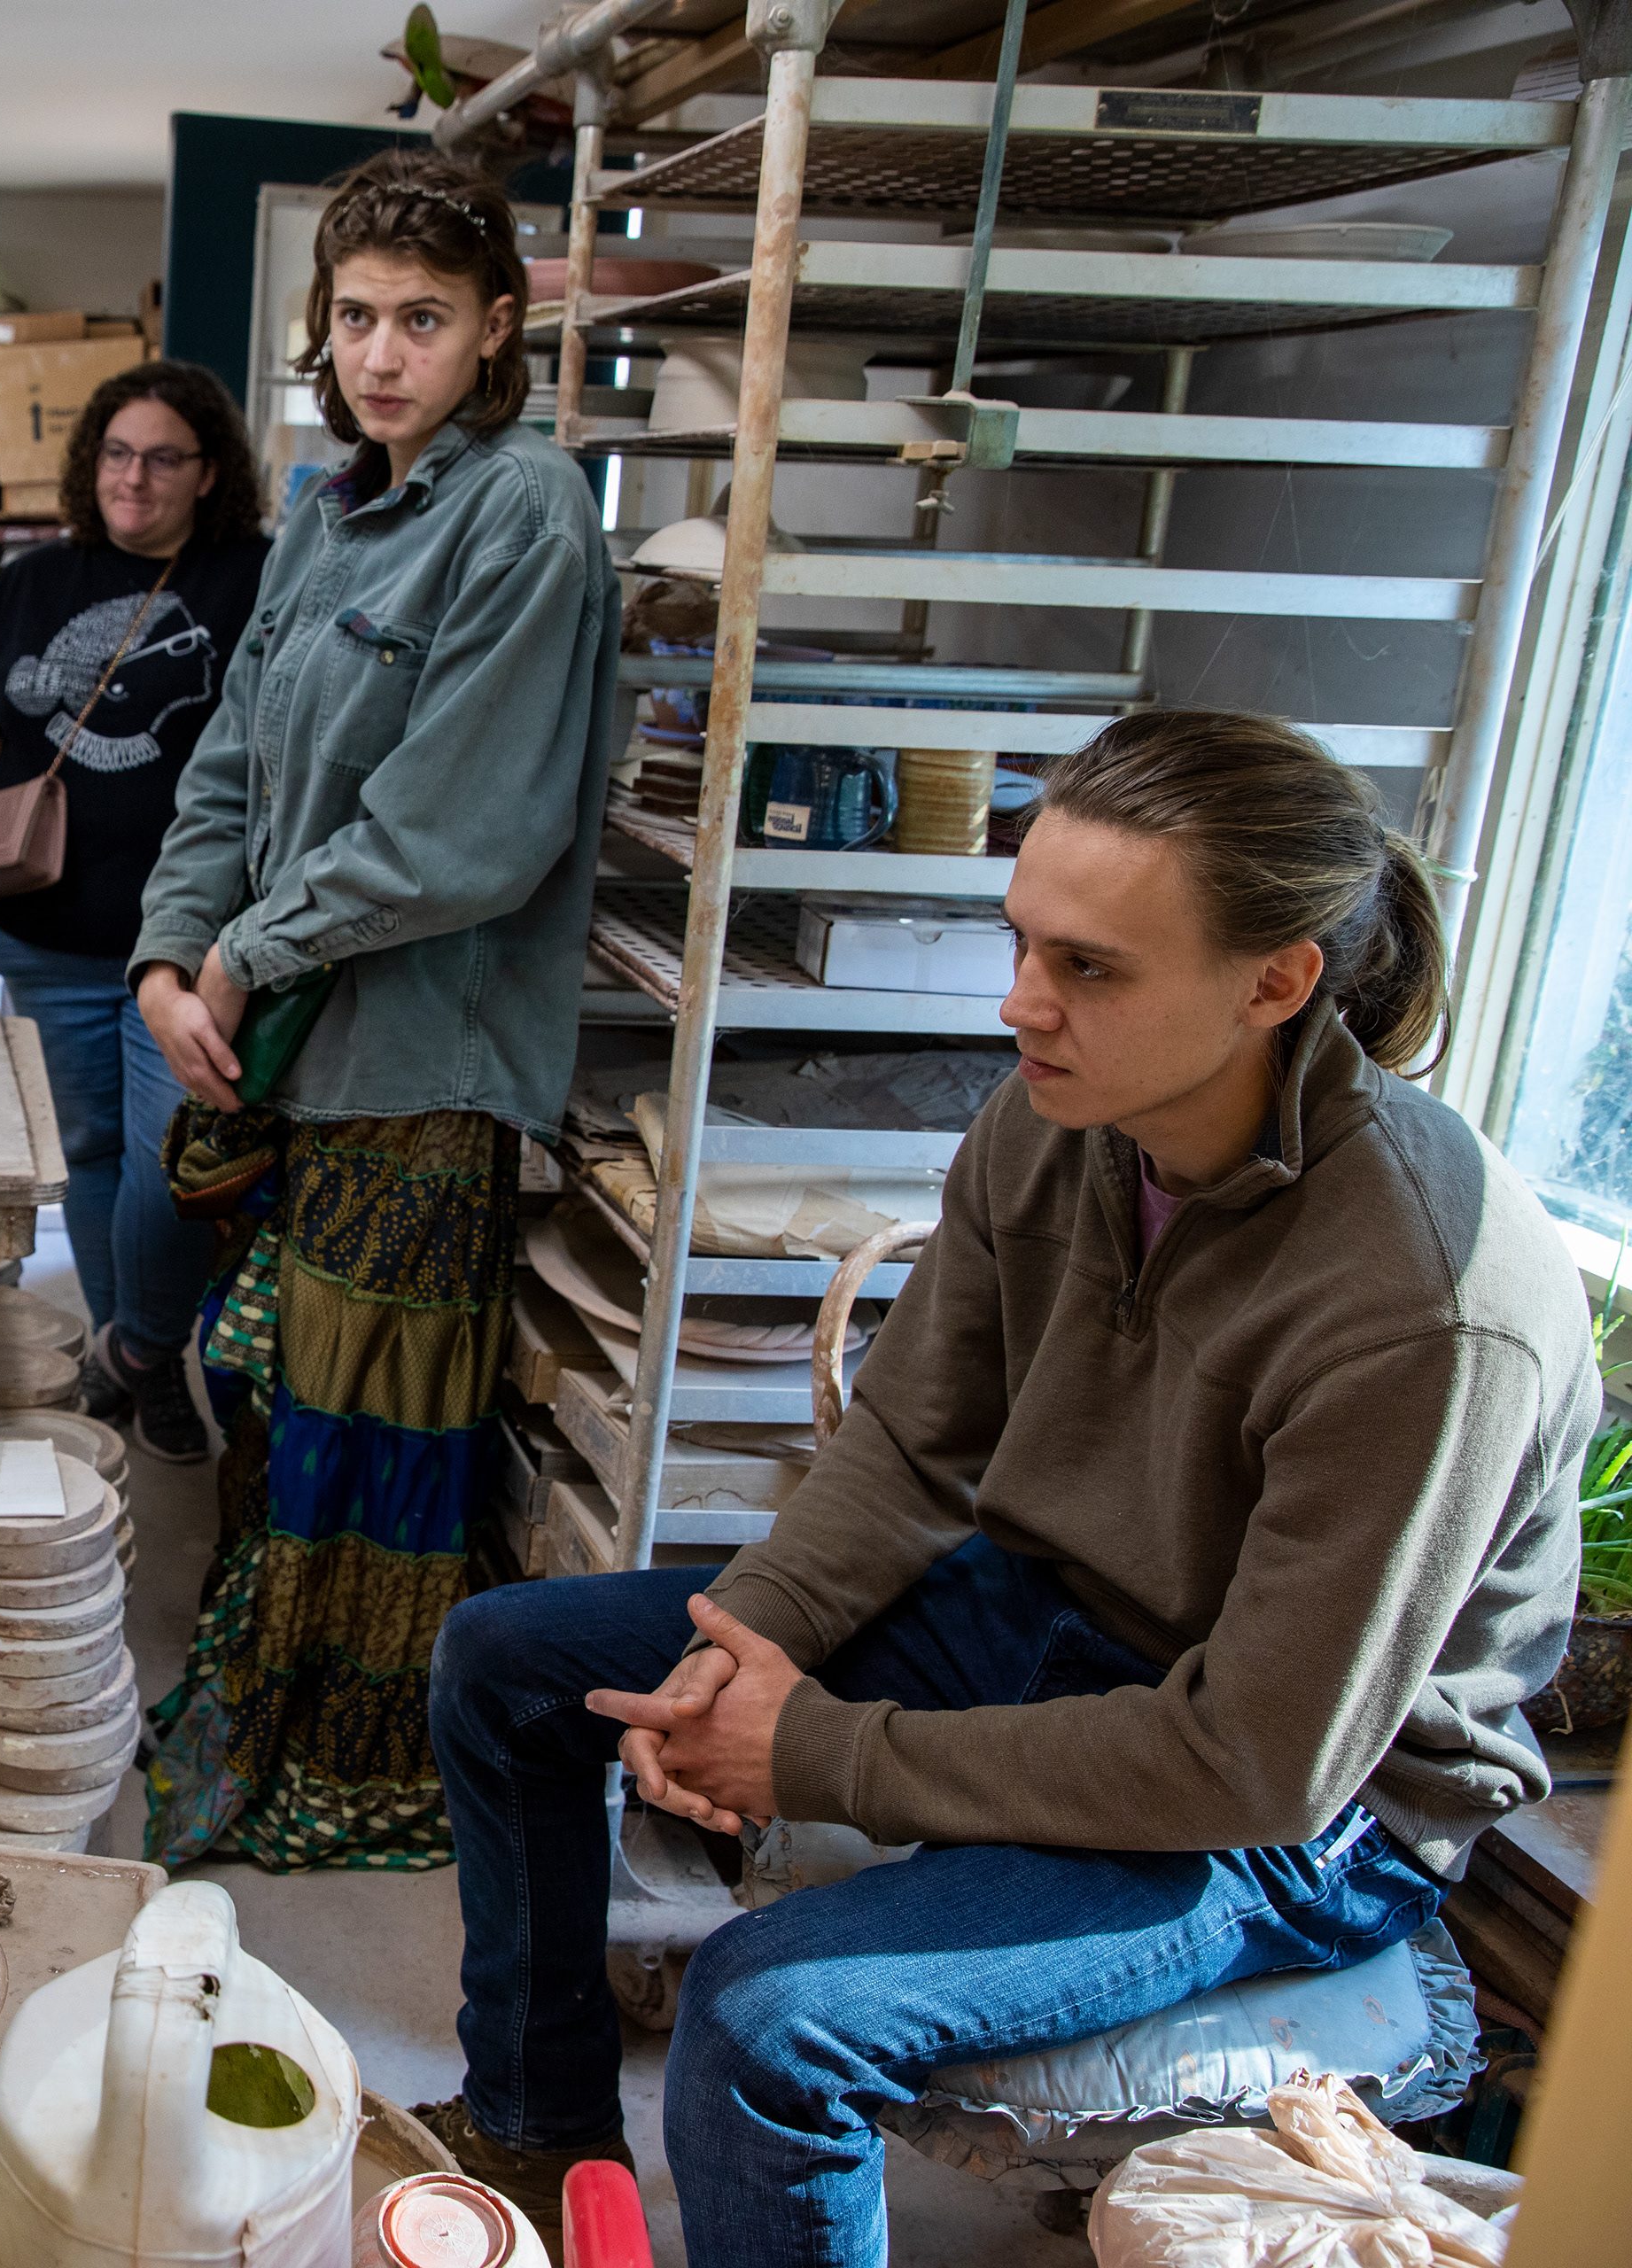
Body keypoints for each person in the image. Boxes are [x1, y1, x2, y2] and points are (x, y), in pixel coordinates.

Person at [418, 713, 1594, 2265]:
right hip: (1055, 1615)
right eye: (1021, 942)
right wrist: (750, 1635)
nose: (1020, 1003)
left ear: (1277, 982)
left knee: (772, 2016)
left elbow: (1261, 1760)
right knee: (509, 1663)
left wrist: (824, 1752)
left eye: (1090, 968)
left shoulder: (1426, 1298)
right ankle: (534, 2124)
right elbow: (913, 1443)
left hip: (1311, 1803)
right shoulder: (1057, 1119)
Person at [129, 146, 621, 1870]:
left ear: (497, 329)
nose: (384, 352)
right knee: (271, 1411)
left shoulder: (525, 511)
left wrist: (255, 950)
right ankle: (249, 1728)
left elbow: (467, 833)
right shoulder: (335, 514)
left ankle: (342, 1775)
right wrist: (171, 951)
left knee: (363, 1448)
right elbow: (236, 757)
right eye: (356, 318)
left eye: (424, 318)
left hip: (419, 1073)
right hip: (281, 1054)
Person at [0, 358, 272, 1461]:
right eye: (118, 454)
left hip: (181, 949)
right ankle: (145, 1363)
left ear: (207, 471)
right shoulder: (34, 581)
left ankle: (134, 1344)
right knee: (86, 1153)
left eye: (163, 457)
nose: (135, 477)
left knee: (170, 1164)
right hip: (43, 933)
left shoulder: (254, 579)